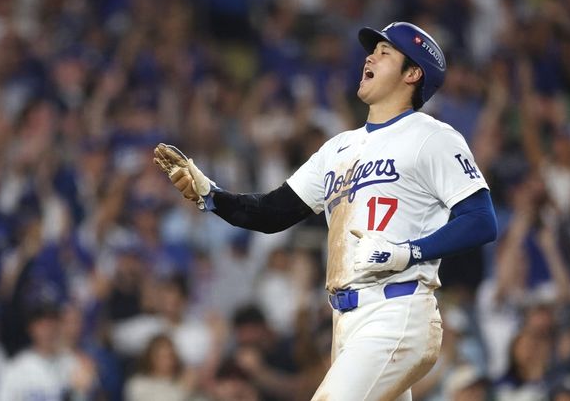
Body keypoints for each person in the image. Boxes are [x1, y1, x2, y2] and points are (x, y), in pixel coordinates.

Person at [153, 21, 498, 400]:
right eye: (372, 51)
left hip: (396, 311)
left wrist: (409, 251)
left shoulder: (432, 136)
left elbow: (481, 219)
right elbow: (271, 213)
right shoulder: (337, 148)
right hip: (346, 323)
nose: (370, 57)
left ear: (413, 73)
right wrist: (211, 194)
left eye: (385, 53)